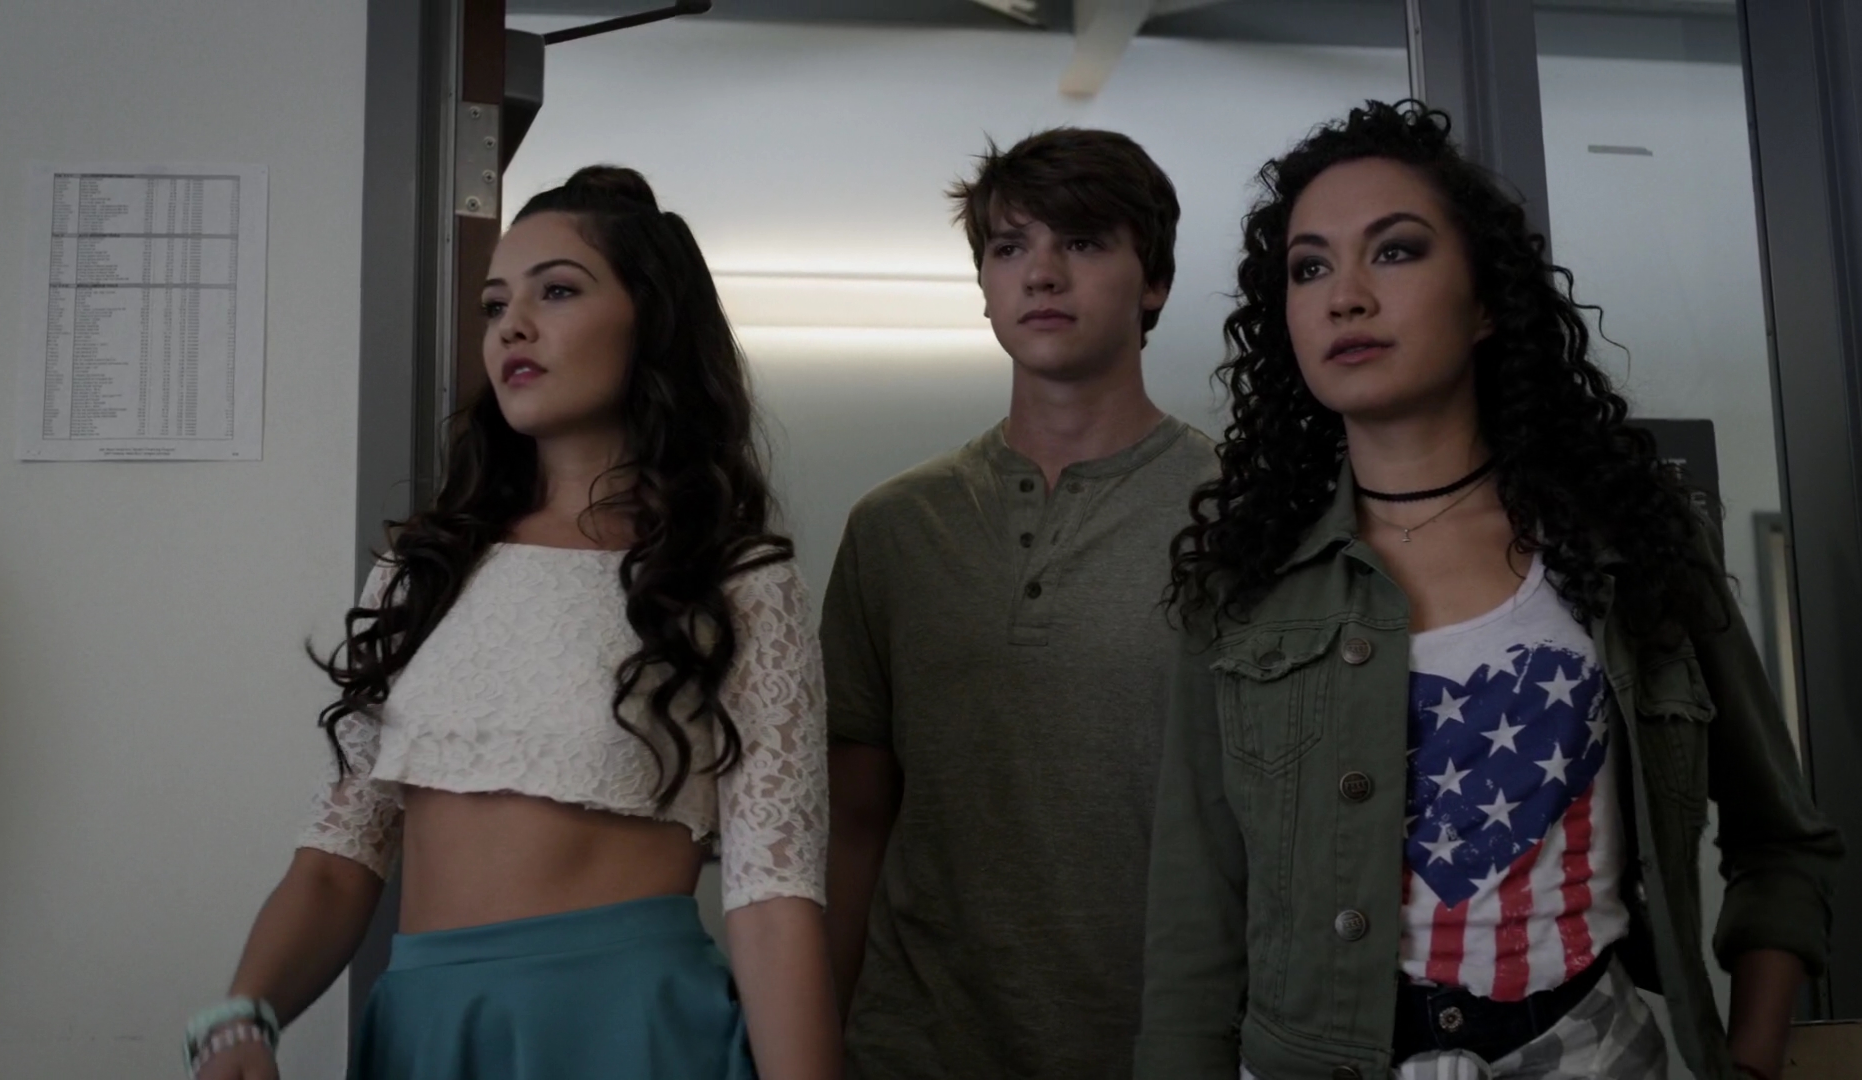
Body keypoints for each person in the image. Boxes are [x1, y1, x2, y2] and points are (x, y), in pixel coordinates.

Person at [1138, 100, 1842, 1080]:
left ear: (1486, 303)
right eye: (1309, 268)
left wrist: (1753, 1058)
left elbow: (1779, 841)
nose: (1345, 296)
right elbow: (1194, 927)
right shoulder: (1243, 583)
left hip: (1591, 1052)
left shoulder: (1632, 547)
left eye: (1395, 252)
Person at [183, 167, 840, 1080]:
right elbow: (337, 858)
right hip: (426, 1036)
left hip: (634, 1037)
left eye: (557, 292)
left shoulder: (733, 580)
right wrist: (240, 1018)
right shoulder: (421, 571)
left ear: (652, 320)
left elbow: (773, 899)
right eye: (496, 306)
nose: (512, 328)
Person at [822, 128, 1219, 1080]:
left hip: (1163, 1046)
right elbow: (852, 823)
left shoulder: (1241, 516)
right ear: (985, 285)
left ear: (1155, 281)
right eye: (1010, 247)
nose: (1041, 273)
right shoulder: (893, 527)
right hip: (915, 1050)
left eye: (1081, 241)